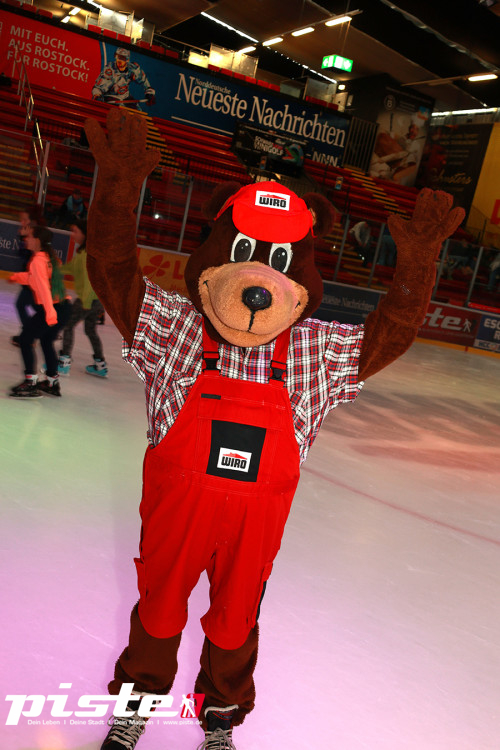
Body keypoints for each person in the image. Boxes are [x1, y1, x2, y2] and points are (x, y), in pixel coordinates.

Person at [8, 226, 70, 398]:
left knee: (25, 340)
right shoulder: (49, 258)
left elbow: (42, 288)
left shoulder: (38, 260)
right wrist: (17, 277)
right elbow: (35, 278)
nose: (25, 239)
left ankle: (30, 383)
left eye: (29, 237)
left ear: (37, 240)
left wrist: (49, 313)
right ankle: (52, 382)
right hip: (64, 307)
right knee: (46, 340)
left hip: (53, 308)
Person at [58, 220, 108, 378]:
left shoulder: (87, 254)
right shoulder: (84, 252)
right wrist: (56, 270)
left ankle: (64, 363)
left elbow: (89, 280)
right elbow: (71, 268)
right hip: (98, 300)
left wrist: (85, 302)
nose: (72, 235)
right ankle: (100, 365)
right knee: (90, 329)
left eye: (75, 231)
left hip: (89, 300)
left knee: (68, 325)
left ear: (85, 234)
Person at [11, 205, 46, 347]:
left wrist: (22, 238)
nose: (22, 222)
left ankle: (29, 335)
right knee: (36, 307)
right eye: (21, 219)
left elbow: (26, 254)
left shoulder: (35, 235)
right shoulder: (32, 233)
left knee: (21, 304)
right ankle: (40, 330)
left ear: (32, 221)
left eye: (25, 219)